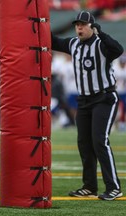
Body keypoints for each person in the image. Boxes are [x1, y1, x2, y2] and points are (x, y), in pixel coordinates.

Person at [52, 11, 124, 200]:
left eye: (83, 25)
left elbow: (118, 49)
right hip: (84, 101)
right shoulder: (74, 44)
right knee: (84, 143)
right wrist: (40, 23)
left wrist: (100, 33)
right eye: (77, 25)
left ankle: (114, 187)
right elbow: (52, 41)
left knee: (100, 141)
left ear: (92, 26)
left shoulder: (102, 44)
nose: (79, 28)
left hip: (104, 98)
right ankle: (89, 186)